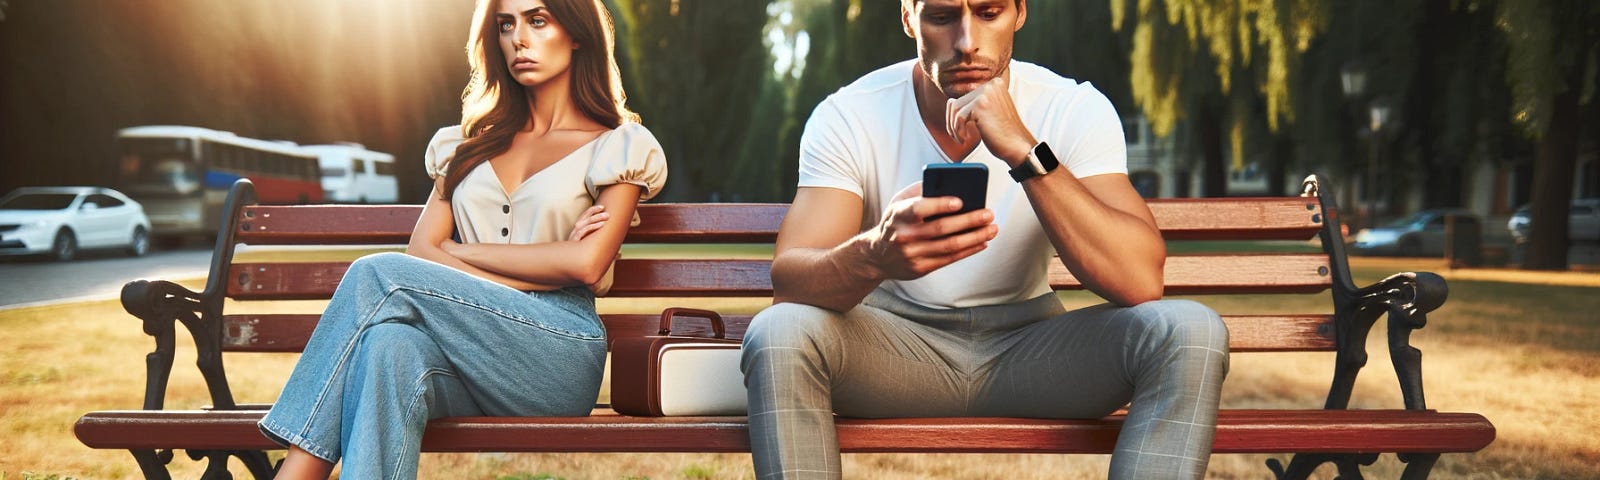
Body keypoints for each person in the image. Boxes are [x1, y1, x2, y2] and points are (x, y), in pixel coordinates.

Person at [739, 0, 1228, 479]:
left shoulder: (1072, 107)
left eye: (988, 13)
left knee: (1189, 330)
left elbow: (1140, 281)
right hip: (895, 354)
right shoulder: (851, 114)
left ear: (1020, 12)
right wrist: (875, 255)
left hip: (1033, 355)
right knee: (779, 333)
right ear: (909, 17)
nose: (967, 42)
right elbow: (790, 283)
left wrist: (1025, 151)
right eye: (942, 16)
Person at [258, 0, 666, 477]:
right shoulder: (466, 146)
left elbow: (587, 266)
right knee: (388, 347)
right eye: (506, 25)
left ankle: (294, 473)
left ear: (576, 33)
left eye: (538, 20)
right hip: (465, 352)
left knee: (376, 273)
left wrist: (458, 252)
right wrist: (545, 261)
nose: (519, 39)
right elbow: (420, 253)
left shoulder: (618, 145)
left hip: (557, 350)